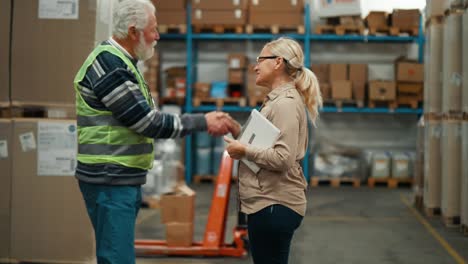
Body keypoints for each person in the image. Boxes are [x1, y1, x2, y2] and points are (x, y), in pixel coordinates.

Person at [73, 0, 236, 263]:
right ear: (134, 31)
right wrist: (201, 122)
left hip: (116, 177)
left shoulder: (123, 62)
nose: (158, 36)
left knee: (115, 253)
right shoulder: (111, 67)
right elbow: (147, 122)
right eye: (154, 29)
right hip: (109, 178)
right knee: (117, 258)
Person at [224, 37, 322, 264]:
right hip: (268, 203)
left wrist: (244, 150)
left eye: (260, 59)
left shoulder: (284, 104)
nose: (255, 66)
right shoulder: (276, 101)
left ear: (278, 62)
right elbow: (268, 142)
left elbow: (283, 158)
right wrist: (238, 130)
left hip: (274, 204)